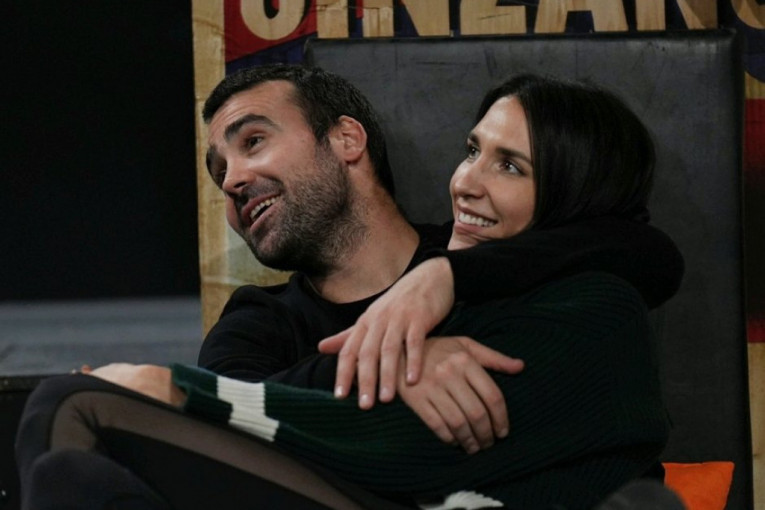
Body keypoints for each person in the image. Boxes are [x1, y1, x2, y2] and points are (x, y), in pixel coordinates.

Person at [16, 68, 681, 510]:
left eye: (254, 141)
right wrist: (402, 361)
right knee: (68, 463)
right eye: (471, 151)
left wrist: (442, 277)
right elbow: (233, 437)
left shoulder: (547, 289)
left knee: (70, 411)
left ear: (346, 139)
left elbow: (644, 251)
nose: (233, 179)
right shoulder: (258, 320)